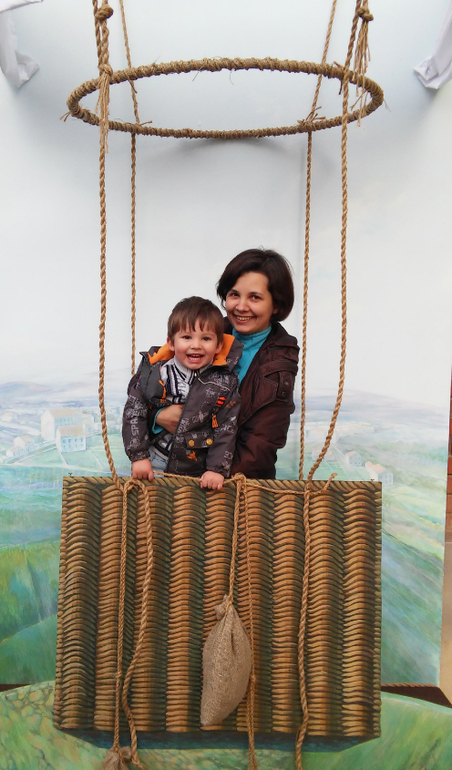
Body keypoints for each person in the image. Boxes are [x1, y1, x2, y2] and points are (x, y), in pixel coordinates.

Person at [155, 249, 299, 479]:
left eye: (255, 297)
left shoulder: (279, 364)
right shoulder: (204, 332)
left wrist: (212, 476)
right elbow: (150, 386)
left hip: (233, 484)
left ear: (276, 305)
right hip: (179, 471)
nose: (241, 306)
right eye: (234, 295)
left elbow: (261, 444)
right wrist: (156, 416)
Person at [122, 296, 243, 489]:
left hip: (199, 468)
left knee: (190, 507)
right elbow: (134, 411)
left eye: (206, 338)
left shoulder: (225, 383)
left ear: (219, 345)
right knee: (151, 503)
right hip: (156, 458)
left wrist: (216, 469)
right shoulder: (157, 373)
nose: (196, 345)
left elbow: (226, 427)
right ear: (171, 342)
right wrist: (139, 456)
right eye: (187, 337)